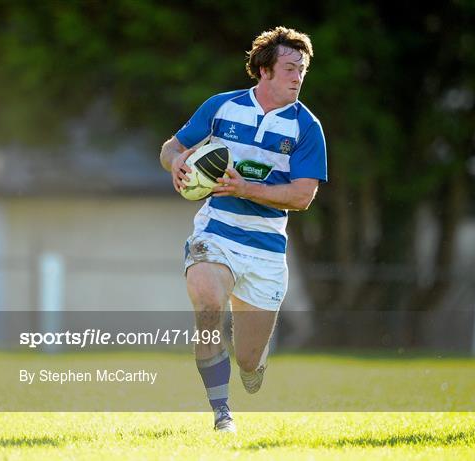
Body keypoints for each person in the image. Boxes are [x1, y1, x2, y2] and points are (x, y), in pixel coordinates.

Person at [159, 26, 327, 433]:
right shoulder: (222, 107)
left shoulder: (306, 128)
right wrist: (177, 163)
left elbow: (303, 196)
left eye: (301, 70)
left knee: (248, 361)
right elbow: (171, 148)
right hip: (217, 232)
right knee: (208, 304)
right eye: (289, 68)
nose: (297, 77)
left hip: (267, 250)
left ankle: (252, 366)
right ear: (264, 71)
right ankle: (222, 415)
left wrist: (246, 188)